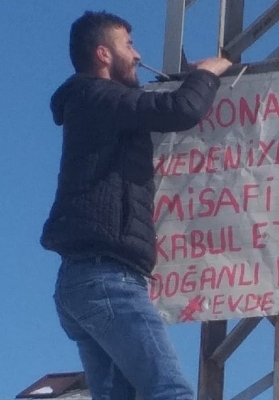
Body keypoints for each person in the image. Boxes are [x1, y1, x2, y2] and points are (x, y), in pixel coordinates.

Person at [41, 10, 231, 400]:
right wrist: (207, 74)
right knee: (170, 391)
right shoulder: (97, 95)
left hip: (84, 282)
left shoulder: (94, 105)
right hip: (107, 278)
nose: (138, 54)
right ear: (103, 54)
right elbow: (180, 110)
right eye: (128, 45)